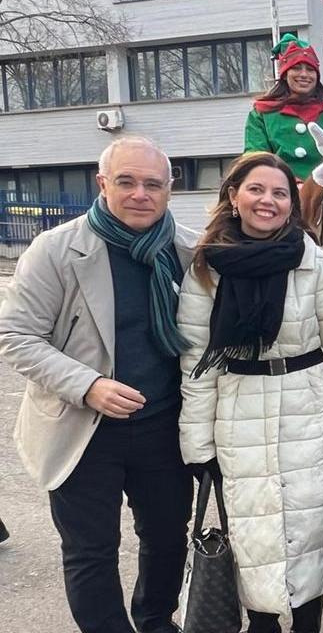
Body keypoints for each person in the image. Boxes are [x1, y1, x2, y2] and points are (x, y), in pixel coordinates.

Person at [0, 137, 196, 633]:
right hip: (82, 429)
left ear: (169, 189)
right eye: (126, 182)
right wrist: (87, 385)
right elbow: (16, 336)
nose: (140, 194)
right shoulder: (56, 250)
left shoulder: (185, 252)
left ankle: (156, 622)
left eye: (153, 184)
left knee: (169, 539)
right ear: (102, 184)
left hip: (163, 428)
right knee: (91, 551)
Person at [177, 152, 323, 633]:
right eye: (257, 189)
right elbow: (197, 363)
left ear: (292, 204)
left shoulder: (315, 263)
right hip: (240, 409)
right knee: (254, 541)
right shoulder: (207, 268)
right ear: (233, 195)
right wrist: (198, 444)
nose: (268, 200)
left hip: (317, 414)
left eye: (280, 193)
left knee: (311, 541)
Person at [244, 33, 323, 181]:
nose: (304, 74)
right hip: (278, 190)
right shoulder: (262, 113)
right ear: (285, 74)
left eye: (310, 69)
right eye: (296, 68)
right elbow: (254, 159)